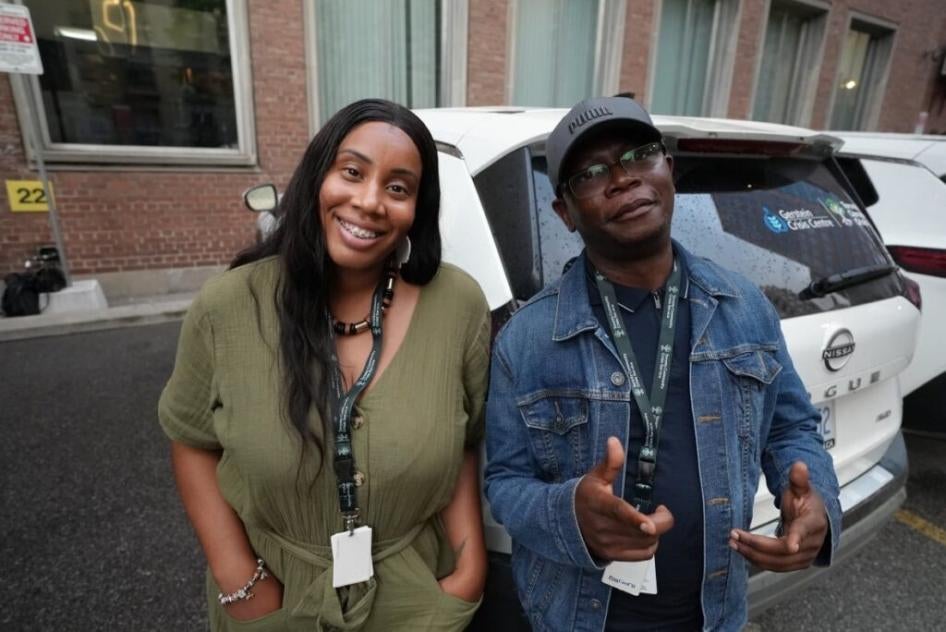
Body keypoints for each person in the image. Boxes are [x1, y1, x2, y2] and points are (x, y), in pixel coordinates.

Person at [483, 96, 841, 631]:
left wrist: (819, 506)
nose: (623, 179)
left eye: (639, 156)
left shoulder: (744, 308)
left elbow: (791, 427)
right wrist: (570, 513)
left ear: (668, 170)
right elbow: (505, 482)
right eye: (592, 173)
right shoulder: (528, 338)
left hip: (714, 616)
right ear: (565, 212)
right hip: (578, 618)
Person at [159, 99, 489, 631]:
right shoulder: (228, 305)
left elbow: (464, 442)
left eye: (398, 188)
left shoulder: (457, 305)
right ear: (318, 177)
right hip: (276, 600)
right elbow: (192, 439)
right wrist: (239, 580)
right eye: (352, 172)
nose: (370, 201)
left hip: (417, 600)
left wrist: (469, 568)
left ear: (417, 212)